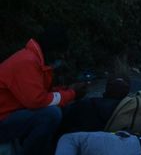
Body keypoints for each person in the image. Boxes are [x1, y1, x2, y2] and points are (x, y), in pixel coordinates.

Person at [0, 26, 86, 155]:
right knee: (51, 114)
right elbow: (36, 101)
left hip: (9, 115)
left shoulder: (34, 60)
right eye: (60, 53)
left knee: (60, 110)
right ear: (52, 50)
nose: (61, 58)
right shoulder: (27, 61)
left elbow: (40, 93)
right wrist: (71, 94)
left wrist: (65, 90)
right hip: (3, 120)